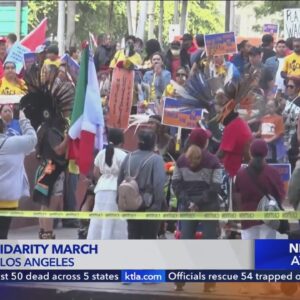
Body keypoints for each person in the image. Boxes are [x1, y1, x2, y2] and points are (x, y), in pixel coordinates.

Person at [117, 130, 166, 239]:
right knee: (149, 237)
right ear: (153, 143)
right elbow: (159, 184)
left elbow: (120, 180)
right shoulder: (156, 160)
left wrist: (120, 200)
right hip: (148, 205)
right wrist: (157, 205)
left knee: (133, 235)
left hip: (131, 204)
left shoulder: (128, 157)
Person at [235, 139, 285, 239]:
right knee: (266, 251)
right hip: (268, 218)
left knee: (249, 251)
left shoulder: (241, 174)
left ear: (250, 153)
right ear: (266, 153)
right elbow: (281, 195)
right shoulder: (273, 173)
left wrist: (237, 215)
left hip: (247, 217)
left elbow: (237, 197)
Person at [0, 110, 37, 239]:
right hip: (7, 199)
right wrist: (23, 119)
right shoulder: (12, 143)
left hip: (7, 199)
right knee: (2, 235)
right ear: (4, 128)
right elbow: (32, 139)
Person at [87, 128, 127, 240]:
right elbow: (126, 174)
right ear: (121, 142)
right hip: (115, 190)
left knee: (99, 220)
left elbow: (95, 172)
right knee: (114, 221)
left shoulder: (101, 153)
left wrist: (103, 179)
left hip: (101, 189)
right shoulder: (123, 155)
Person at [282, 79, 300, 169]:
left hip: (294, 141)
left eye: (291, 86)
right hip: (285, 140)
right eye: (287, 86)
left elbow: (293, 121)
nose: (288, 88)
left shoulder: (299, 102)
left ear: (297, 88)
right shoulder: (288, 101)